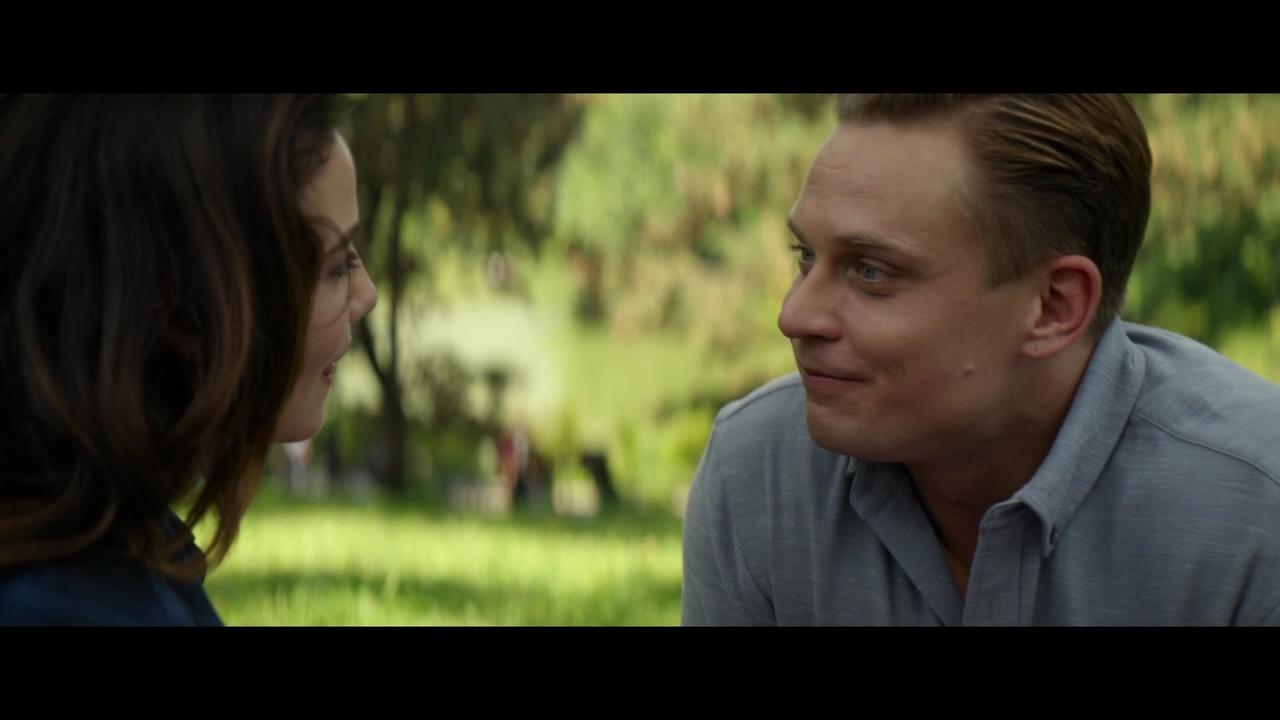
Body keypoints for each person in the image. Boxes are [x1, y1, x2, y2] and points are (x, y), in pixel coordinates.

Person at [681, 94, 1280, 625]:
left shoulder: (1255, 516)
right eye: (807, 255)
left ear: (1053, 306)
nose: (794, 316)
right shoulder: (761, 474)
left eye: (871, 271)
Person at [0, 95, 377, 625]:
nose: (367, 295)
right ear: (186, 311)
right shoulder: (79, 606)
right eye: (337, 267)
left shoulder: (115, 547)